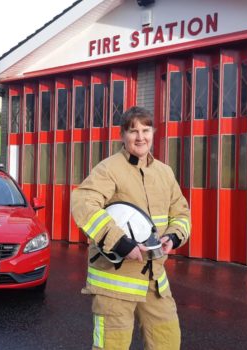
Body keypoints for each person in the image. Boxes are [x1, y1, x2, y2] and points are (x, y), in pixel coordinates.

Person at [71, 106, 191, 350]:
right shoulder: (108, 169)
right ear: (122, 136)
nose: (140, 137)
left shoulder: (164, 173)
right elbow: (84, 203)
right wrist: (120, 243)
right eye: (133, 130)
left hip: (154, 280)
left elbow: (181, 212)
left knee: (167, 342)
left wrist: (173, 237)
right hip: (114, 281)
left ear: (153, 133)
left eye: (145, 130)